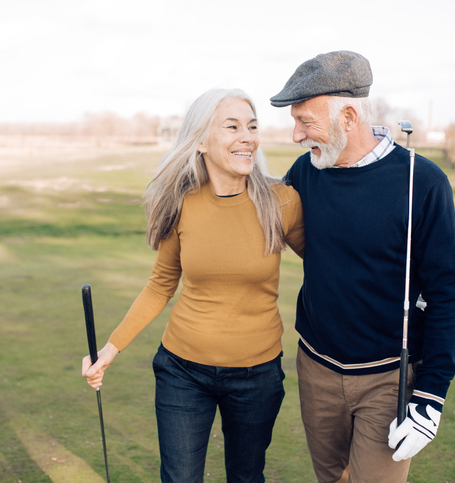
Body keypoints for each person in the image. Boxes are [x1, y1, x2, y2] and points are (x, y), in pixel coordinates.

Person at [82, 88, 305, 483]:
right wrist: (110, 348)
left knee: (246, 477)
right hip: (182, 372)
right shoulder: (182, 202)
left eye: (252, 127)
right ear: (201, 140)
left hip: (257, 376)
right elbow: (160, 284)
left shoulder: (281, 201)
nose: (247, 136)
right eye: (232, 126)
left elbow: (331, 264)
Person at [269, 51, 455, 483]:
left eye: (305, 121)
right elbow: (265, 213)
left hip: (388, 381)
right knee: (331, 479)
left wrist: (431, 394)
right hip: (315, 368)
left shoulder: (425, 182)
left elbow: (447, 293)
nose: (297, 135)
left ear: (348, 116)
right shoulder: (306, 172)